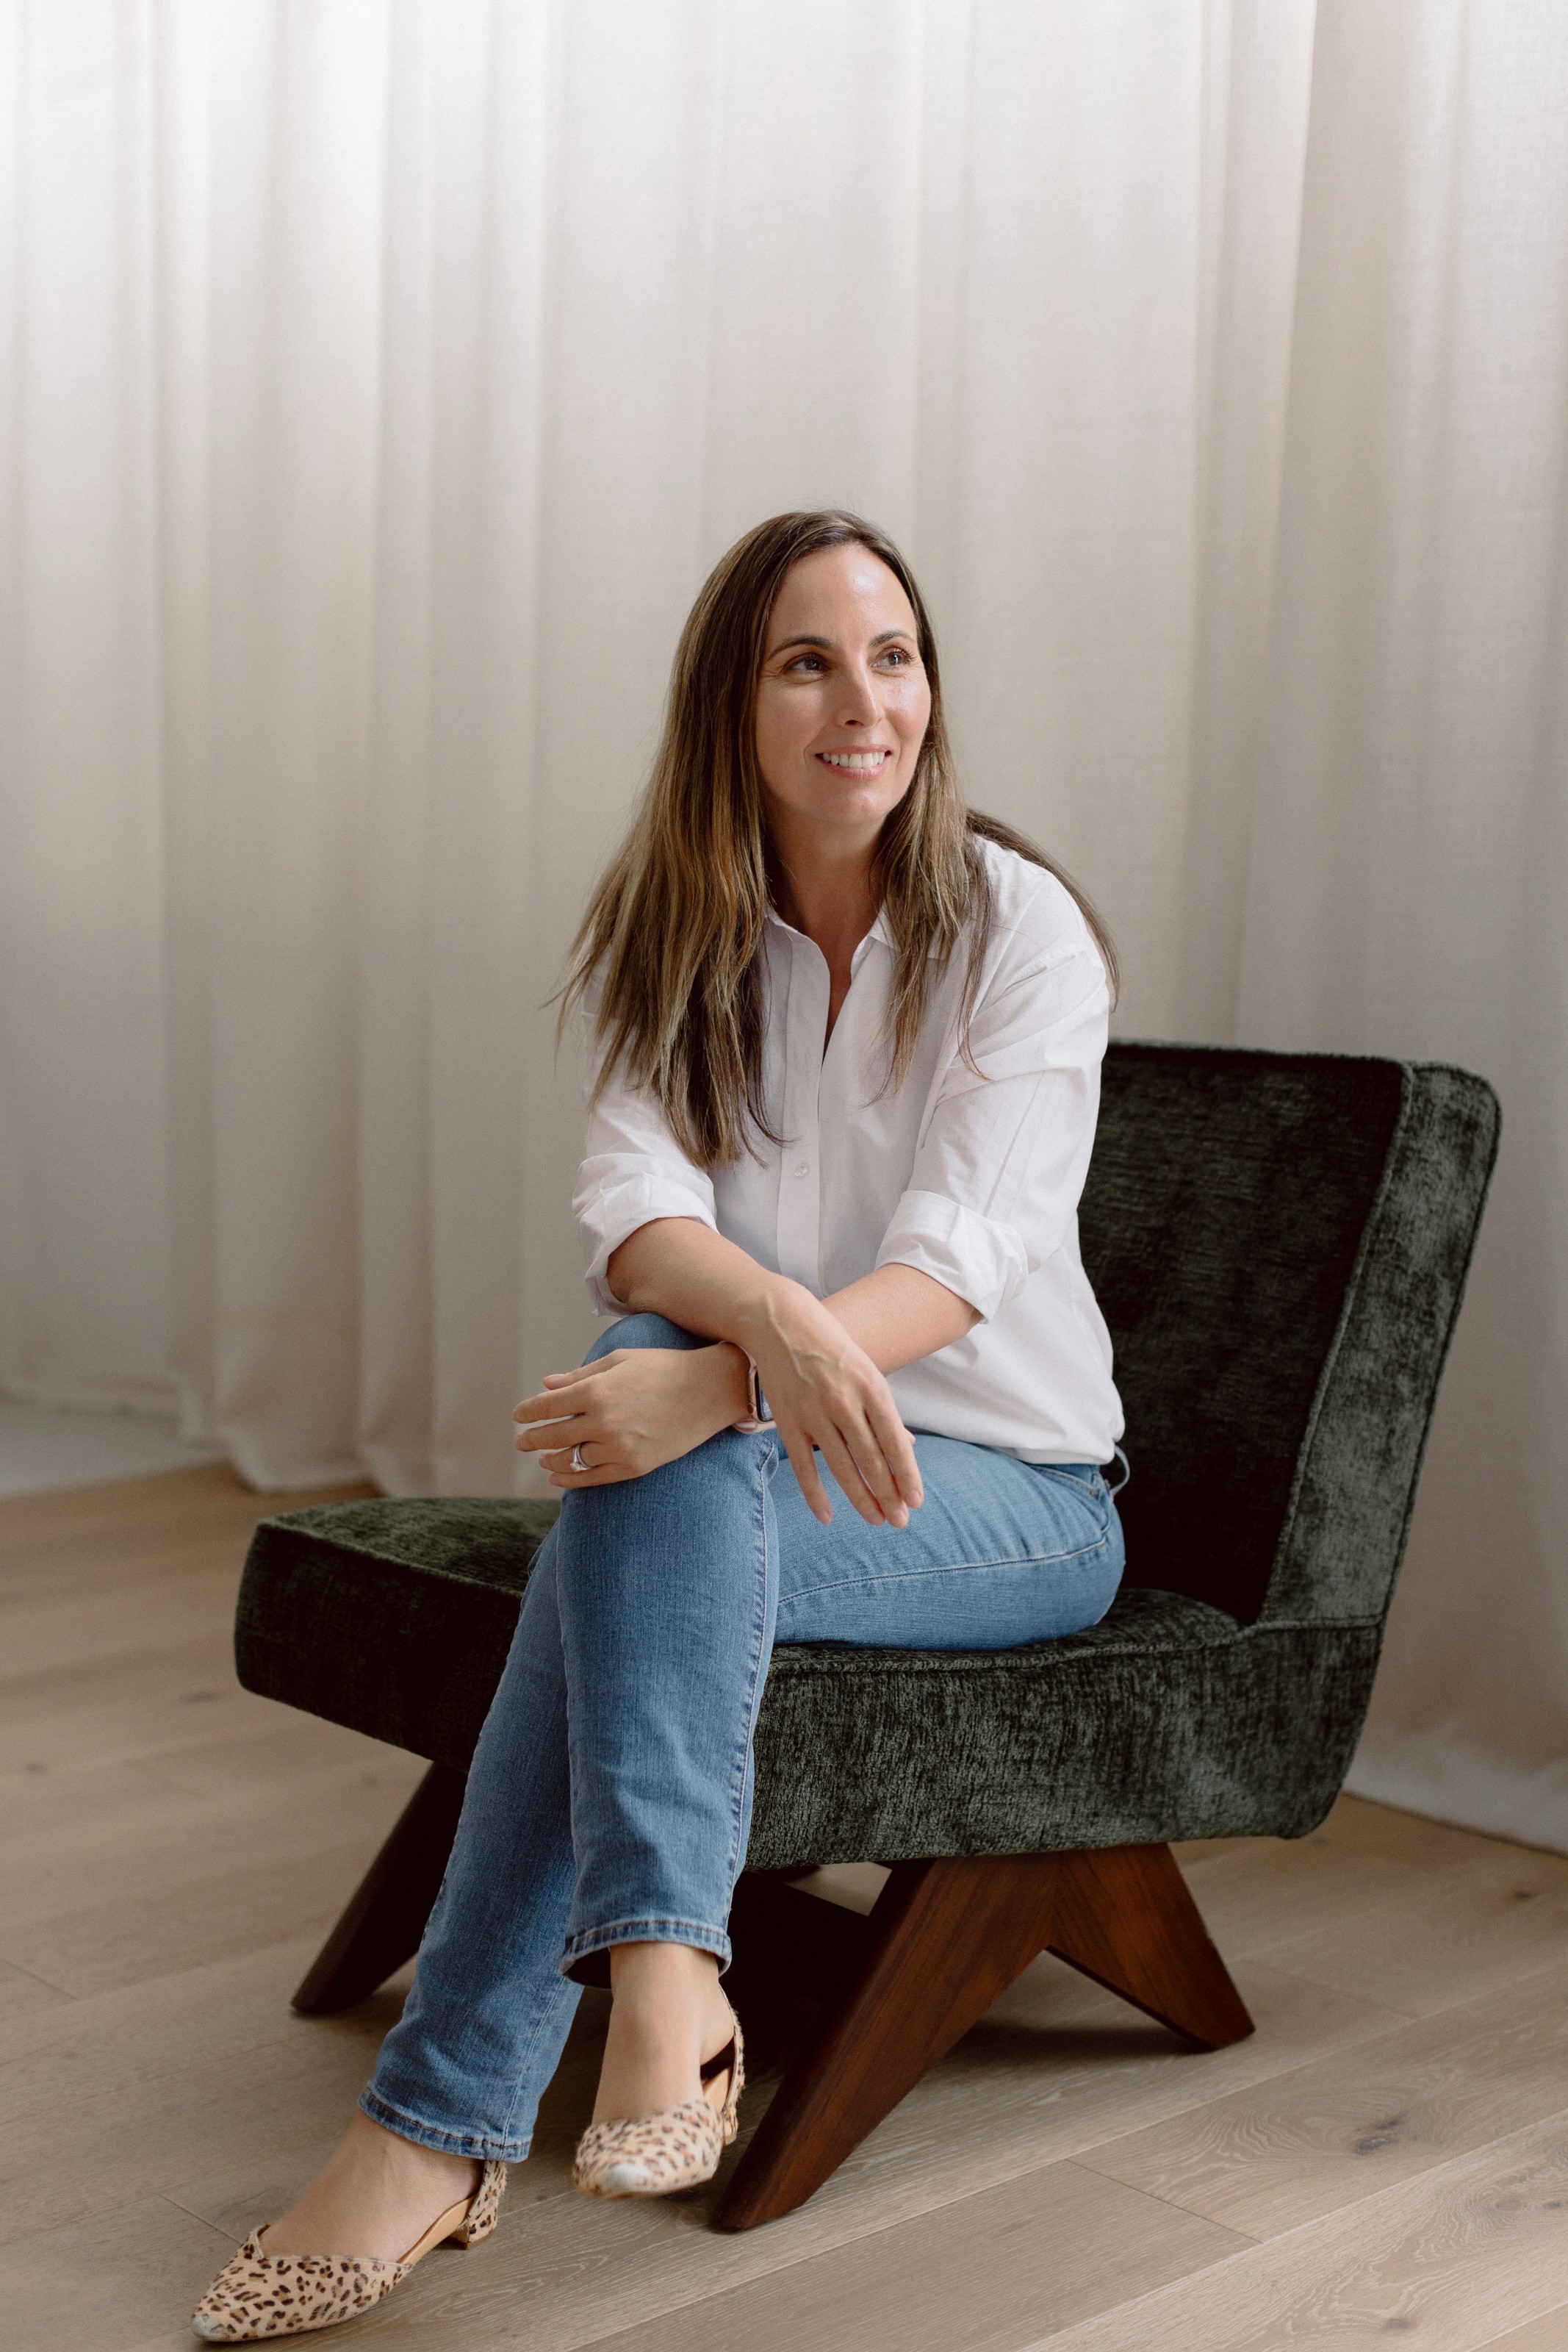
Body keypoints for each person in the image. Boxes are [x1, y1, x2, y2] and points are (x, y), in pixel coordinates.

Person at [192, 509, 1126, 2340]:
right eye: (806, 662)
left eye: (893, 658)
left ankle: (443, 2122)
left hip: (1011, 1493)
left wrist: (720, 1376)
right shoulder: (678, 927)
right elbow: (632, 1203)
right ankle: (662, 1978)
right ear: (730, 704)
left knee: (647, 1441)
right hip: (767, 1462)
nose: (862, 704)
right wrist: (751, 1331)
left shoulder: (1018, 928)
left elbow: (964, 1256)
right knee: (648, 1385)